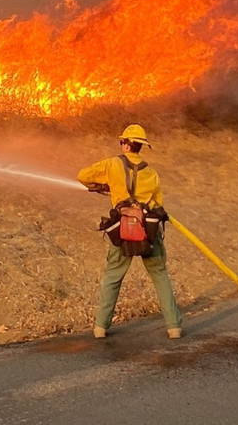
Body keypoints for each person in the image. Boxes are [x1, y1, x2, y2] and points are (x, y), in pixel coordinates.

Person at [77, 123, 184, 339]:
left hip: (123, 231)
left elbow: (83, 175)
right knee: (160, 276)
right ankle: (174, 328)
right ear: (140, 147)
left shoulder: (112, 164)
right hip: (148, 231)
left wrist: (105, 187)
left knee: (112, 277)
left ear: (125, 144)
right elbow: (157, 203)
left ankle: (100, 328)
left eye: (122, 142)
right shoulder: (152, 173)